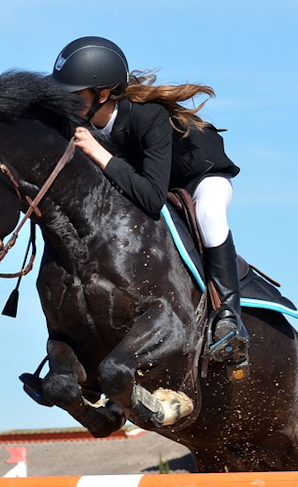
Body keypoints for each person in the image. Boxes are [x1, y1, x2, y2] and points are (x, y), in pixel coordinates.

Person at [51, 36, 249, 368]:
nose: (68, 104)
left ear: (103, 94)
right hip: (152, 179)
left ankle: (229, 318)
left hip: (199, 177)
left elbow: (152, 198)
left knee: (210, 215)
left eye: (76, 97)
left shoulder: (149, 116)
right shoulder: (87, 122)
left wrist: (98, 153)